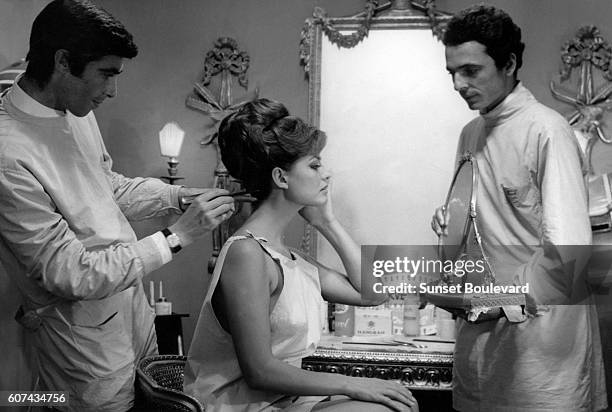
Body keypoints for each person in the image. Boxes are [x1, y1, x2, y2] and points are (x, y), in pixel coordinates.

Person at [0, 1, 235, 411]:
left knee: (151, 398)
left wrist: (176, 196)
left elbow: (104, 186)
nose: (112, 91)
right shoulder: (9, 154)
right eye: (106, 74)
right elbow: (68, 272)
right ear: (62, 62)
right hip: (78, 336)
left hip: (130, 304)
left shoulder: (75, 110)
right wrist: (177, 237)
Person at [184, 98, 419, 412]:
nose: (327, 174)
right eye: (314, 164)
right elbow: (260, 371)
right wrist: (354, 383)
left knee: (399, 405)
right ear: (281, 178)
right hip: (239, 404)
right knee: (390, 408)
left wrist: (328, 223)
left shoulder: (287, 257)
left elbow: (373, 294)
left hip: (281, 401)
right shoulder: (246, 253)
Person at [431, 5, 607, 411]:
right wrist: (452, 227)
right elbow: (480, 223)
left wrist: (502, 302)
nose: (458, 84)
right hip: (481, 339)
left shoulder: (548, 130)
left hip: (542, 348)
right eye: (452, 72)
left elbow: (568, 255)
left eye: (471, 71)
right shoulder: (470, 133)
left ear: (508, 63)